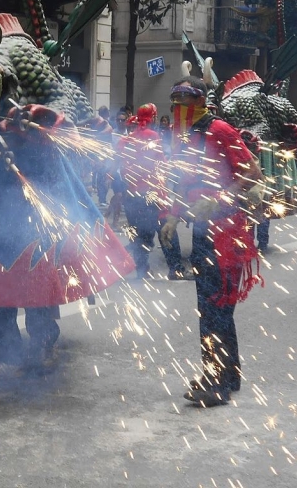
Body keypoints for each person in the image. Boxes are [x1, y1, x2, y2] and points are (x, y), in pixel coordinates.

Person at [160, 75, 264, 407]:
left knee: (215, 310)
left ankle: (215, 382)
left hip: (227, 234)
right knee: (211, 309)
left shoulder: (219, 129)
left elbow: (253, 172)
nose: (178, 106)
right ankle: (228, 375)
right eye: (174, 99)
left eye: (184, 99)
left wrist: (218, 199)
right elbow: (183, 180)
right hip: (204, 234)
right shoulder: (185, 136)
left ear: (200, 101)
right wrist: (174, 215)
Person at [116, 104, 189, 280]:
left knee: (138, 232)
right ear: (153, 117)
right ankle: (176, 269)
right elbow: (160, 163)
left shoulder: (123, 141)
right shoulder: (153, 136)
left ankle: (142, 270)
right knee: (166, 227)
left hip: (132, 195)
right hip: (152, 194)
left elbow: (120, 166)